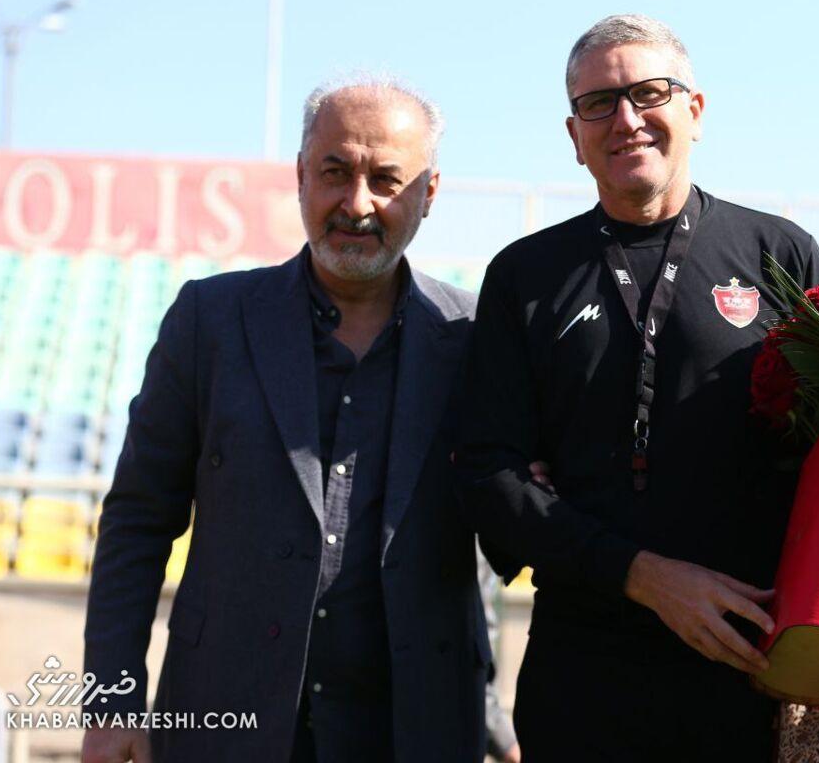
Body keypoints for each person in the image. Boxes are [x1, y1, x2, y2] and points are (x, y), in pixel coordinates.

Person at [455, 14, 819, 761]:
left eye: (650, 93)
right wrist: (645, 578)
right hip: (584, 679)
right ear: (574, 136)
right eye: (598, 103)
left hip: (755, 675)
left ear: (695, 112)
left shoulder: (781, 254)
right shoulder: (524, 276)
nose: (626, 119)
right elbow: (488, 476)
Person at [82, 74, 505, 763]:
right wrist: (111, 701)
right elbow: (137, 519)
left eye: (386, 180)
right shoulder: (209, 323)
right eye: (336, 173)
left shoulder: (477, 339)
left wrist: (492, 712)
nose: (357, 204)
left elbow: (499, 527)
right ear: (302, 176)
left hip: (416, 727)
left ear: (429, 193)